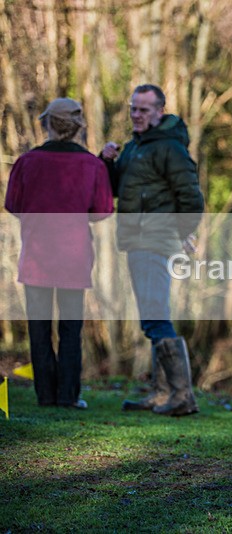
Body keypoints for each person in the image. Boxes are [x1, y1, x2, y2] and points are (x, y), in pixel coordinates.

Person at [101, 84, 204, 416]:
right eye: (133, 108)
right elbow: (119, 188)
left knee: (155, 317)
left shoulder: (170, 149)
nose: (136, 114)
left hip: (154, 240)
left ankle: (181, 396)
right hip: (137, 239)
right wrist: (106, 162)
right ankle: (162, 393)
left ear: (160, 111)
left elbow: (192, 200)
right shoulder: (134, 148)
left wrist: (179, 233)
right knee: (152, 315)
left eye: (143, 109)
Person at [4, 97, 114, 409]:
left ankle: (45, 396)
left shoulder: (27, 162)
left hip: (37, 255)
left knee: (39, 330)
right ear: (78, 127)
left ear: (48, 125)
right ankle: (68, 396)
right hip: (74, 258)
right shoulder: (92, 165)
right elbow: (102, 211)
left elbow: (13, 205)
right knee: (70, 330)